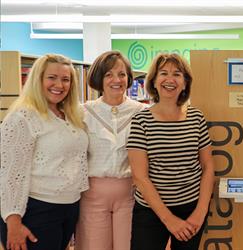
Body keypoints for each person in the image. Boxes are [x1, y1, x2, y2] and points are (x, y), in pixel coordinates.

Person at [127, 53, 215, 250]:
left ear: (185, 83)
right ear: (154, 81)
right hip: (152, 210)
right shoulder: (141, 121)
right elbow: (140, 176)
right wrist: (170, 220)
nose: (170, 79)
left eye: (177, 74)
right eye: (163, 73)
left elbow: (208, 166)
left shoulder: (196, 117)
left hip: (191, 208)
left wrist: (201, 211)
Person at [0, 54, 89, 250]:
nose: (59, 84)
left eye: (66, 79)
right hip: (36, 210)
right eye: (52, 77)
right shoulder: (23, 117)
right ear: (37, 79)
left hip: (69, 207)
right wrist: (13, 221)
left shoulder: (70, 115)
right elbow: (10, 173)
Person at [75, 51, 145, 250]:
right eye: (109, 75)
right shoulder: (83, 112)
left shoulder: (142, 112)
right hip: (92, 196)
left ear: (129, 78)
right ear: (99, 78)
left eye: (122, 74)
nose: (117, 80)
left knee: (129, 246)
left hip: (131, 195)